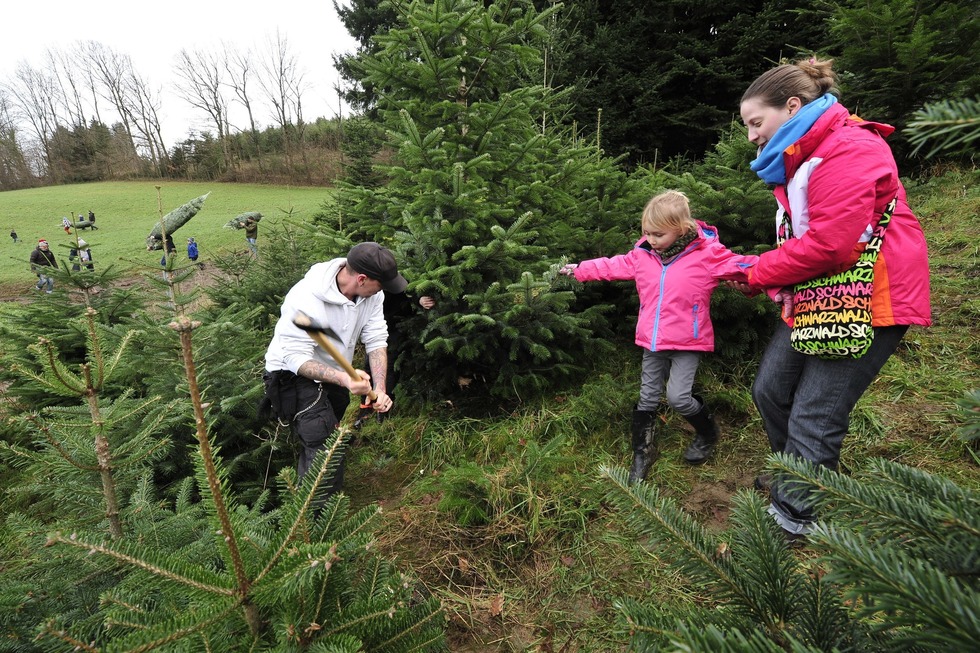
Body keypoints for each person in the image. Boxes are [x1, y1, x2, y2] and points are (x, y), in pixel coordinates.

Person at [737, 56, 931, 540]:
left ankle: (796, 517)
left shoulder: (848, 146)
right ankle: (801, 475)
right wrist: (762, 268)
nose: (751, 136)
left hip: (872, 295)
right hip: (821, 292)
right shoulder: (800, 159)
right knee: (771, 390)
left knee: (816, 410)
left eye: (755, 122)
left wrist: (759, 271)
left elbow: (830, 244)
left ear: (793, 106)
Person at [560, 190, 758, 484]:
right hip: (651, 340)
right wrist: (580, 270)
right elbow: (612, 265)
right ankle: (643, 452)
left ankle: (707, 432)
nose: (651, 239)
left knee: (678, 397)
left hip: (687, 342)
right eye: (647, 233)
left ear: (680, 228)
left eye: (658, 234)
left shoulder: (707, 255)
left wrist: (773, 278)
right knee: (647, 397)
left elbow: (745, 266)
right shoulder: (643, 256)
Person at [262, 242, 407, 495]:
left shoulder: (371, 295)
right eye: (380, 284)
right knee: (326, 445)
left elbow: (375, 339)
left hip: (335, 373)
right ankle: (314, 524)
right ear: (361, 279)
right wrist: (344, 378)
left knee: (328, 435)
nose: (381, 291)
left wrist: (380, 388)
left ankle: (309, 498)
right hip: (291, 374)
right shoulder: (304, 299)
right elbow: (297, 358)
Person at [352, 290, 436, 429]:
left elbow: (411, 289)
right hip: (375, 329)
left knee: (388, 368)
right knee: (368, 366)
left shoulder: (394, 280)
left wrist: (419, 300)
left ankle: (384, 410)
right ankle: (365, 409)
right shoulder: (369, 284)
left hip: (395, 328)